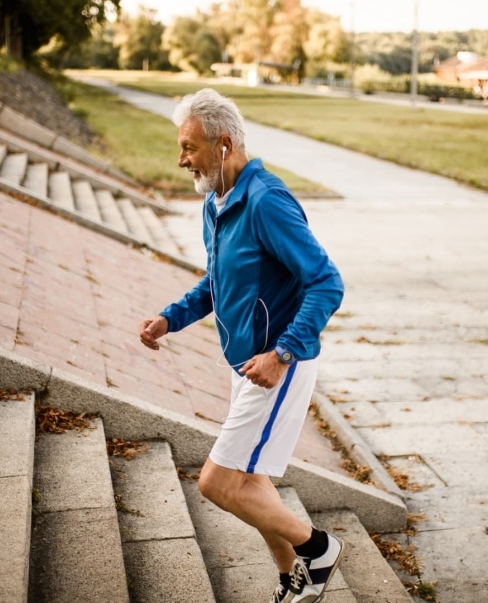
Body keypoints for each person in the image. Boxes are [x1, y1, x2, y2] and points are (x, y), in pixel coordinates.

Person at [139, 88, 345, 603]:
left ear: (223, 144)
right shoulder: (217, 202)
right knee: (249, 483)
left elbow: (327, 282)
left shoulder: (266, 202)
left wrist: (282, 354)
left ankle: (317, 550)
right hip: (247, 364)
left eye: (189, 147)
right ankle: (292, 579)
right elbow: (216, 282)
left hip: (278, 365)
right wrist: (171, 318)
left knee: (218, 483)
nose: (181, 158)